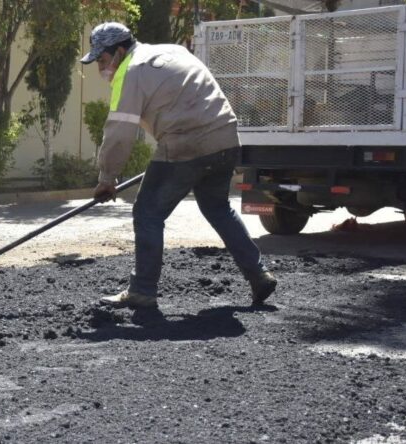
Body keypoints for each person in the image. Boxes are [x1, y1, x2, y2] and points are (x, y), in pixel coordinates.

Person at [81, 22, 277, 309]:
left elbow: (120, 132)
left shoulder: (130, 70)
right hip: (225, 137)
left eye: (102, 60)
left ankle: (142, 291)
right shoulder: (174, 52)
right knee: (218, 208)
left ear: (119, 51)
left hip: (185, 142)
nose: (102, 68)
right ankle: (258, 275)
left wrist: (107, 177)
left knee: (148, 213)